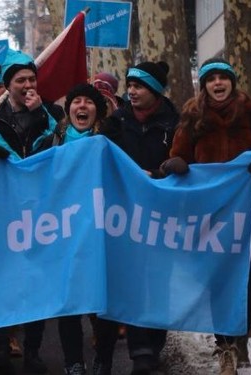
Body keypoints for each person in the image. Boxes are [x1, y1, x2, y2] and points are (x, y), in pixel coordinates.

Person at [169, 58, 251, 374]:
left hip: (248, 218)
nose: (217, 83)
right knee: (216, 282)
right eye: (211, 79)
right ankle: (225, 346)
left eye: (223, 78)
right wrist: (177, 165)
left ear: (233, 82)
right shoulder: (192, 118)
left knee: (244, 282)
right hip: (208, 218)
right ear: (203, 84)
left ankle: (237, 339)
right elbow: (178, 156)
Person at [0, 49, 64, 375]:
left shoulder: (51, 111)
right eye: (20, 80)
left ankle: (33, 351)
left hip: (42, 209)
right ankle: (1, 348)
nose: (27, 84)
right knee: (4, 281)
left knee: (36, 281)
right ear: (7, 85)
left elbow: (56, 142)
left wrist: (39, 114)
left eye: (31, 79)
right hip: (4, 211)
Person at [92, 61, 179, 375]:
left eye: (139, 86)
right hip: (124, 216)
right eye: (129, 85)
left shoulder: (176, 123)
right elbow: (101, 159)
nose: (131, 91)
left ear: (155, 91)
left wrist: (158, 174)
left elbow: (185, 163)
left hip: (161, 216)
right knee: (130, 281)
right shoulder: (116, 123)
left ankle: (153, 346)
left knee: (159, 282)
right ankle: (140, 350)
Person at [42, 84, 121, 375]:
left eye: (89, 102)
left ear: (97, 111)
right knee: (69, 303)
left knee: (103, 303)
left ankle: (104, 358)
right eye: (77, 101)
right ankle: (73, 361)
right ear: (70, 109)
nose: (82, 106)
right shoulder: (54, 141)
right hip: (64, 232)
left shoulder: (111, 140)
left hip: (102, 233)